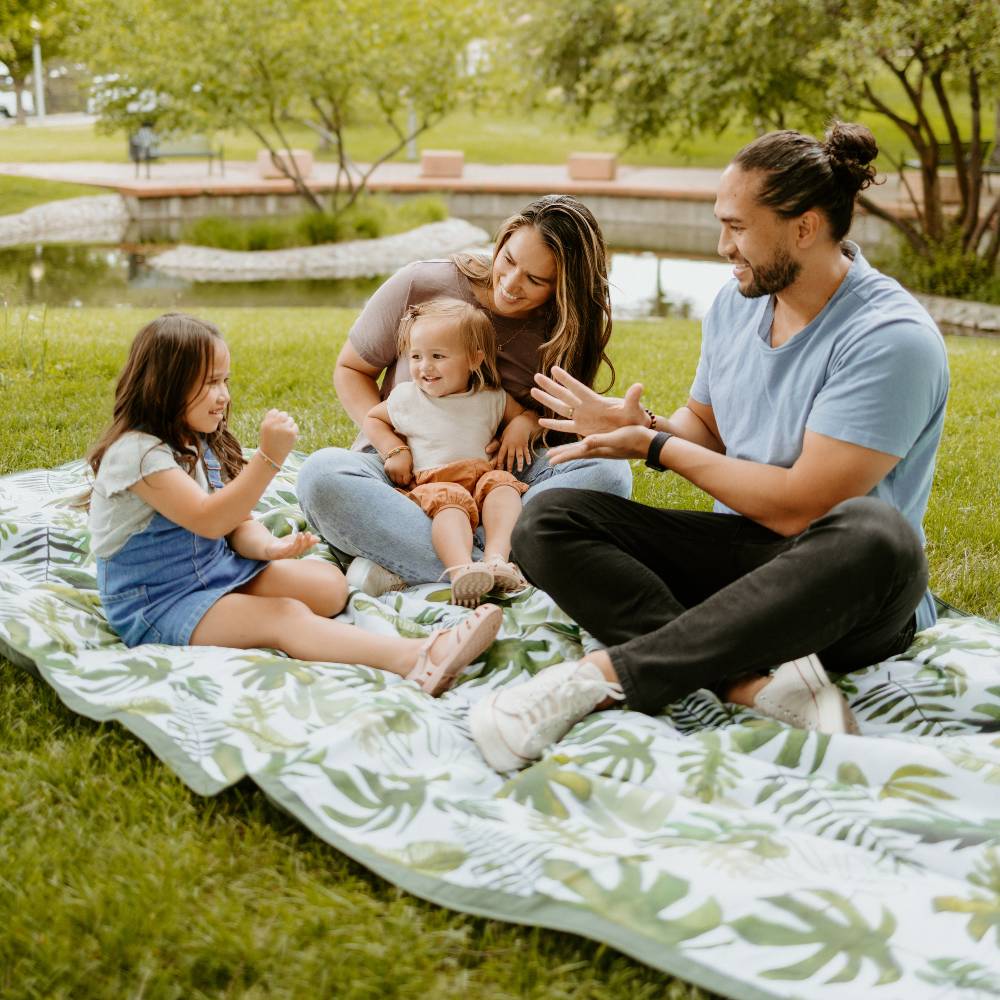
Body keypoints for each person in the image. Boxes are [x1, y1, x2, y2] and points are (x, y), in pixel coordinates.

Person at [469, 123, 950, 771]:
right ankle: (743, 683)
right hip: (742, 561)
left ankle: (601, 677)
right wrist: (642, 426)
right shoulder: (737, 303)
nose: (723, 246)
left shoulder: (890, 338)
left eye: (737, 227)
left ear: (804, 228)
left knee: (878, 534)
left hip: (845, 592)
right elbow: (707, 429)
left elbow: (801, 508)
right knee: (549, 519)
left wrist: (655, 448)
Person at [85, 313, 502, 697]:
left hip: (213, 571)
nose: (223, 395)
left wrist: (269, 547)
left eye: (225, 381)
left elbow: (236, 522)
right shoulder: (138, 455)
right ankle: (418, 658)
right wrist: (268, 458)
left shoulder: (195, 441)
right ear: (166, 384)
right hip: (160, 601)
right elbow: (208, 520)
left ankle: (300, 618)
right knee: (285, 616)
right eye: (210, 383)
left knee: (328, 587)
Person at [296, 194, 633, 596]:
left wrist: (526, 425)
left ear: (564, 286)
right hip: (406, 472)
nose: (511, 284)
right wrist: (395, 447)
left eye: (535, 280)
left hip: (499, 475)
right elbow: (351, 370)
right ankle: (500, 561)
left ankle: (434, 562)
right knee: (321, 475)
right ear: (501, 241)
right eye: (508, 260)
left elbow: (561, 424)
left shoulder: (565, 328)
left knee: (610, 472)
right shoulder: (421, 283)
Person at [364, 298, 532, 607]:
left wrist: (519, 427)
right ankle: (461, 571)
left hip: (481, 478)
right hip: (436, 483)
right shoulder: (408, 398)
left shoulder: (490, 397)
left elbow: (527, 416)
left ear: (474, 359)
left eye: (438, 356)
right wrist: (395, 450)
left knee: (503, 486)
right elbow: (373, 419)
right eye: (416, 356)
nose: (424, 366)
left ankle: (497, 559)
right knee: (451, 504)